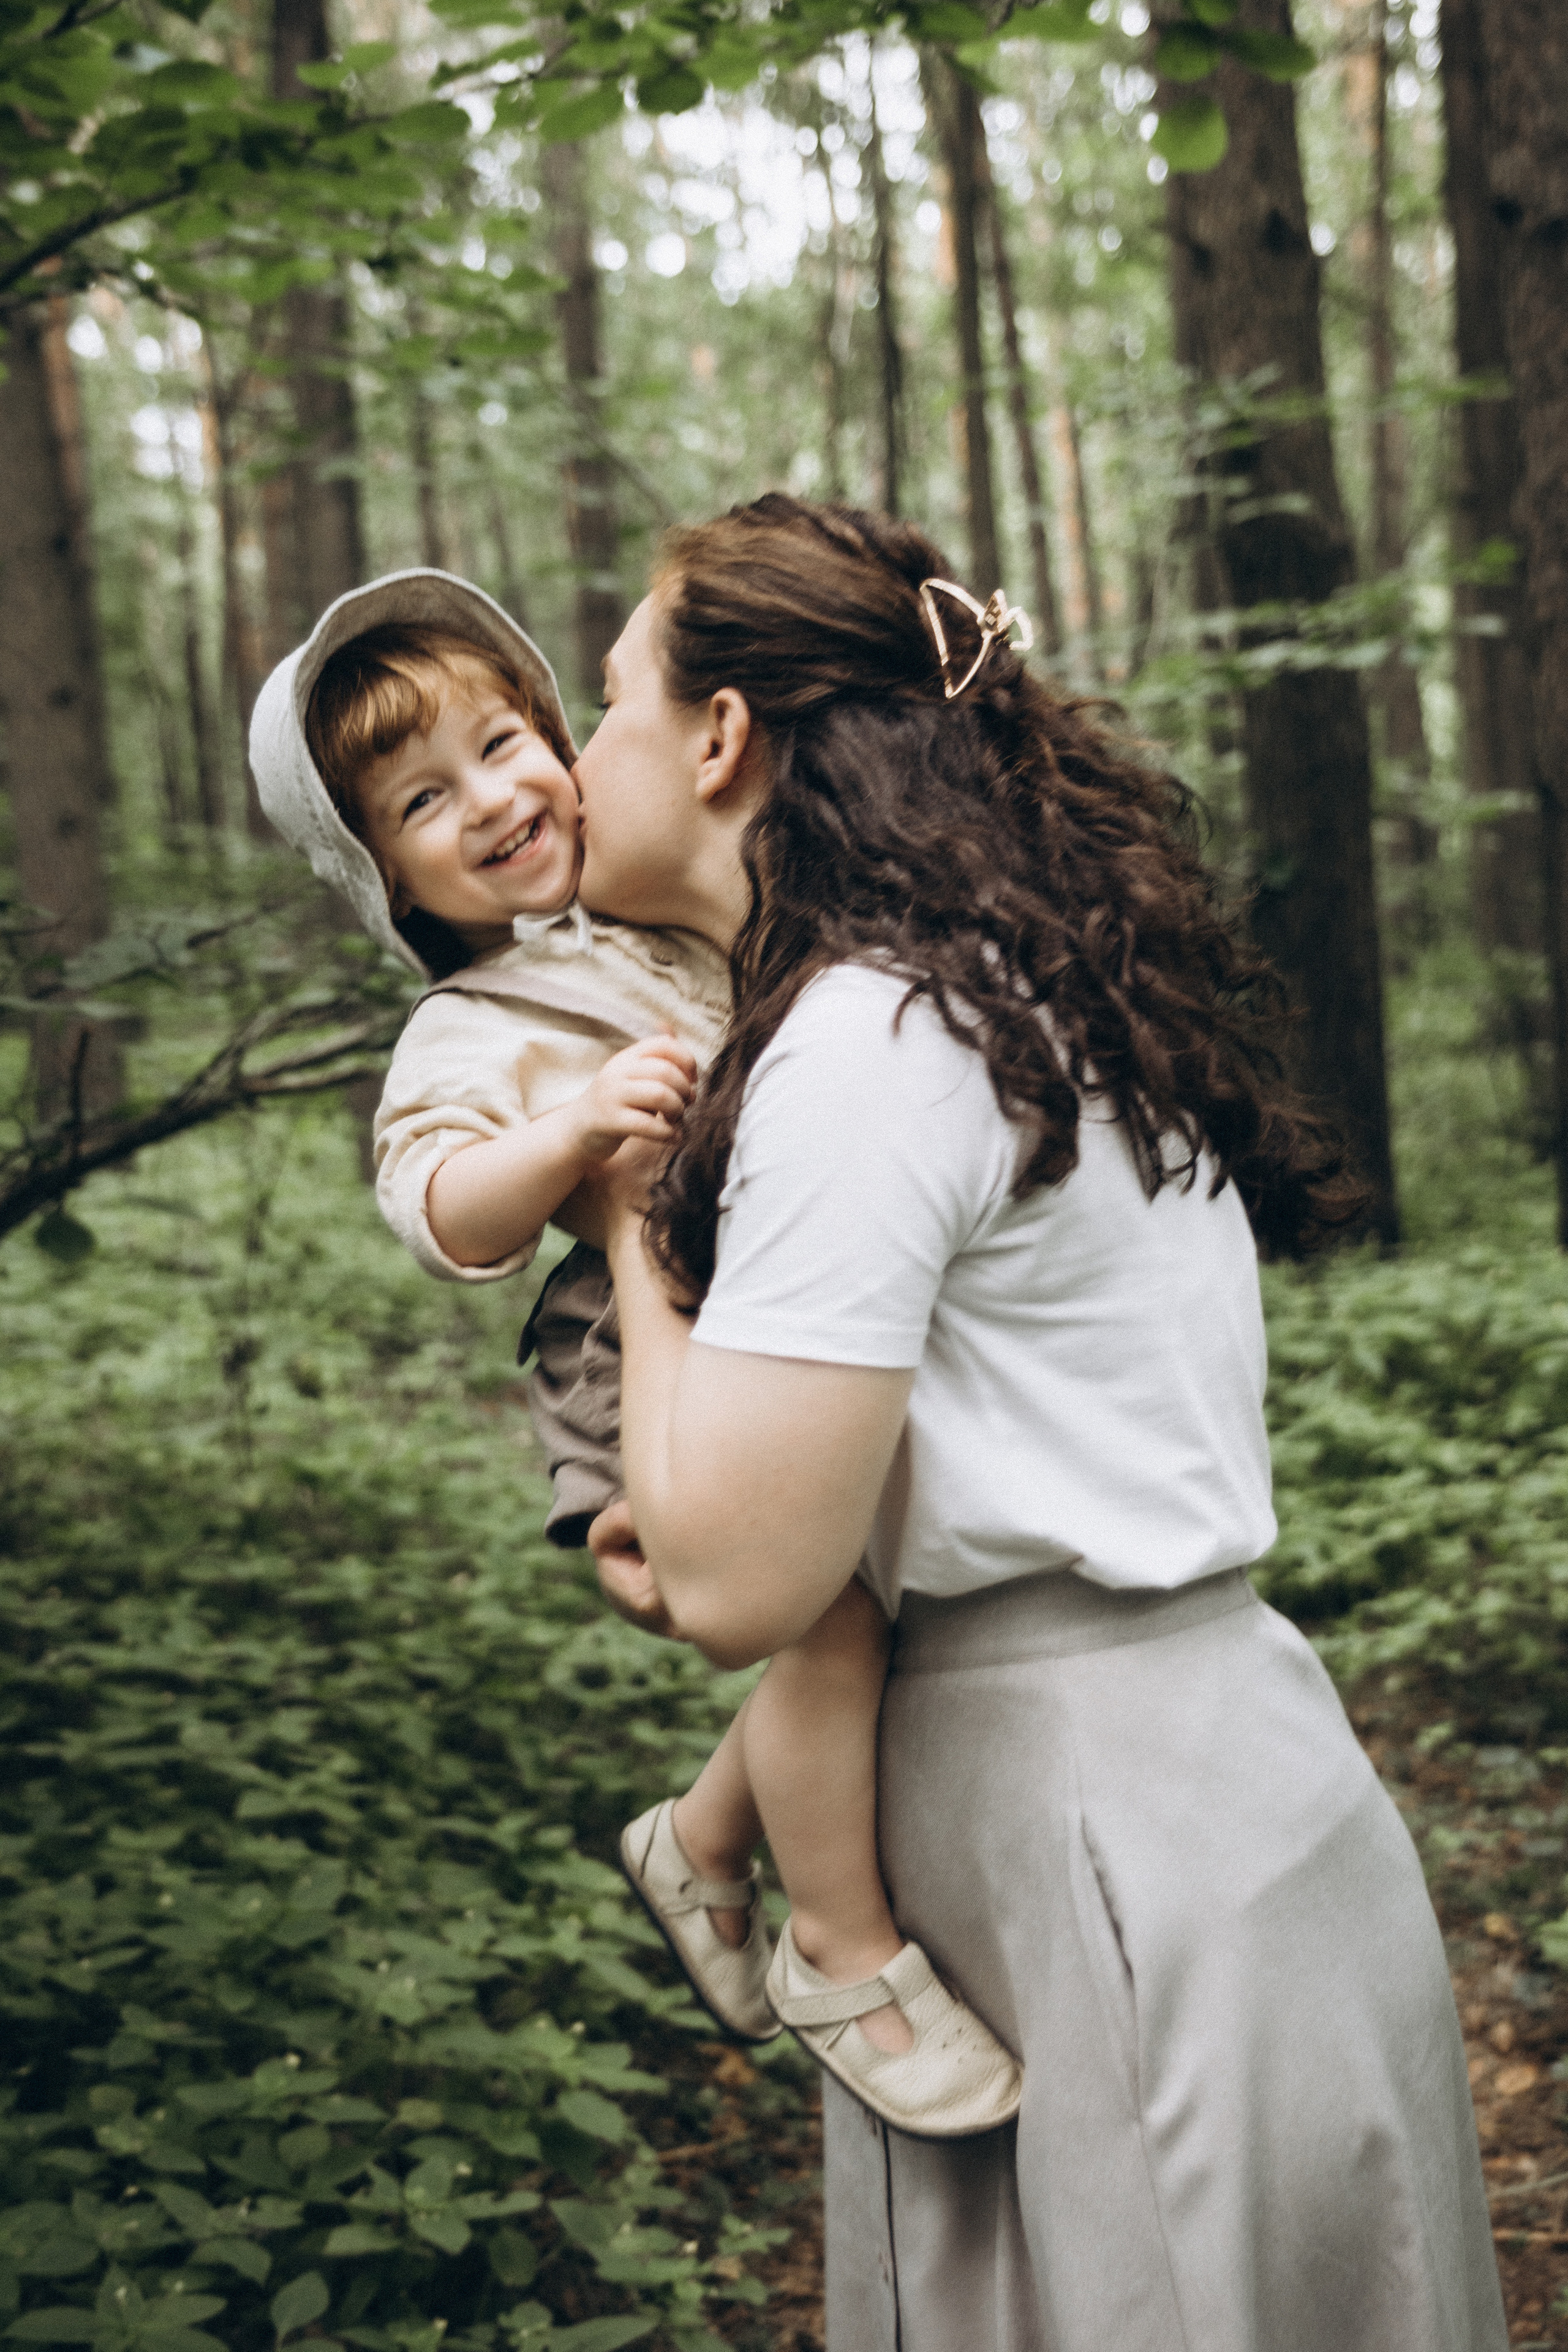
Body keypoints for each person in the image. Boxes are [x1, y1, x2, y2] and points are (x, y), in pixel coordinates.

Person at [570, 494, 1509, 2351]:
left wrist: (619, 1209)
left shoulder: (865, 1038)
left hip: (1087, 1840)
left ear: (723, 737)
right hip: (1238, 1789)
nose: (578, 749)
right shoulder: (1014, 994)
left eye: (607, 698)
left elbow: (743, 1574)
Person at [247, 568, 1020, 2137]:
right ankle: (843, 1953)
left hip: (777, 1292)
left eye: (505, 743)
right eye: (419, 802)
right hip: (630, 1329)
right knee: (820, 1618)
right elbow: (438, 1208)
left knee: (873, 1585)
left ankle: (700, 1836)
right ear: (387, 880)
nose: (491, 800)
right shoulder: (470, 1024)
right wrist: (564, 1140)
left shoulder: (651, 903)